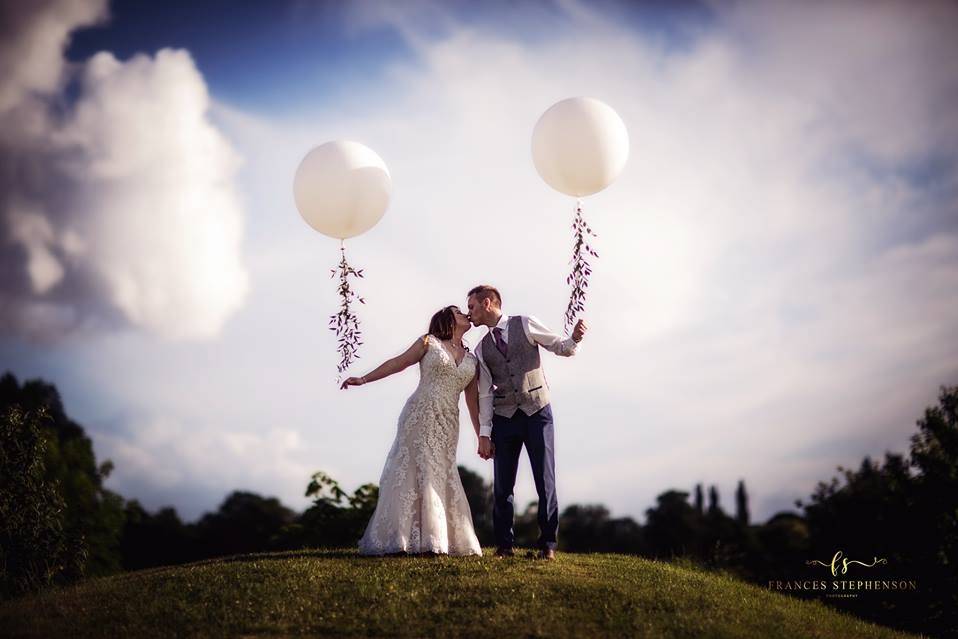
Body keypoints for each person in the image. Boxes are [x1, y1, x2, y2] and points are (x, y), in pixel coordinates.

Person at [340, 305, 484, 556]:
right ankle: (406, 539)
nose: (465, 315)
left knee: (441, 472)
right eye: (459, 312)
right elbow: (398, 363)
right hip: (419, 414)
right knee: (417, 471)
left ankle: (437, 538)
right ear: (448, 319)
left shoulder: (472, 360)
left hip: (449, 422)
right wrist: (363, 379)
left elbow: (473, 404)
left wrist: (482, 436)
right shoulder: (429, 342)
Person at [465, 284, 587, 560]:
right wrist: (484, 433)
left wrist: (575, 339)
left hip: (537, 413)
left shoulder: (526, 323)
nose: (469, 313)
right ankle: (504, 546)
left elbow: (560, 346)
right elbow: (484, 394)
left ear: (487, 303)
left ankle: (548, 545)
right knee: (502, 486)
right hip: (504, 418)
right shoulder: (481, 349)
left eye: (472, 306)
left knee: (545, 480)